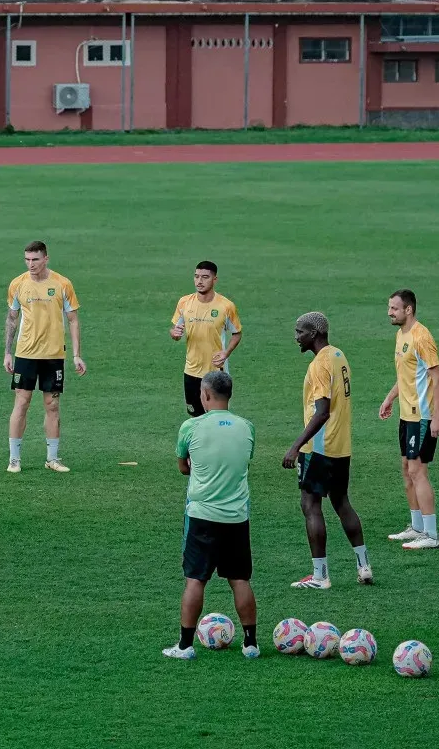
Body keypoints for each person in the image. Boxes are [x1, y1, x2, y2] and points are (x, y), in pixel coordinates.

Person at [164, 371, 259, 660]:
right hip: (236, 517)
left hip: (202, 515)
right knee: (240, 580)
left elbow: (183, 466)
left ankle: (184, 646)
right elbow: (242, 462)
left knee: (195, 579)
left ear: (205, 395)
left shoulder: (190, 427)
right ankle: (251, 644)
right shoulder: (247, 428)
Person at [281, 312, 373, 590]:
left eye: (300, 331)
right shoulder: (338, 356)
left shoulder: (319, 365)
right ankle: (363, 565)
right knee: (341, 502)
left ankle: (320, 576)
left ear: (314, 334)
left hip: (319, 448)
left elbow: (321, 412)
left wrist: (296, 446)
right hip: (341, 445)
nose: (296, 336)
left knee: (310, 505)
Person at [4, 240, 85, 474]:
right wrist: (7, 352)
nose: (31, 264)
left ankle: (52, 458)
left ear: (46, 258)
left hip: (53, 354)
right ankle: (14, 459)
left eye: (35, 259)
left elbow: (73, 319)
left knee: (52, 404)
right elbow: (12, 318)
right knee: (22, 402)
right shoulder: (18, 284)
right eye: (27, 260)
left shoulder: (62, 284)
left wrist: (77, 355)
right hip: (26, 353)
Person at [380, 289, 439, 550]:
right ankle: (416, 527)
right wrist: (390, 398)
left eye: (394, 308)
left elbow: (437, 377)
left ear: (408, 309)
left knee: (418, 471)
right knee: (407, 470)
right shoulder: (400, 334)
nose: (389, 312)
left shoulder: (422, 336)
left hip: (422, 416)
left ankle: (430, 534)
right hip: (407, 415)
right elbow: (406, 375)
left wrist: (437, 417)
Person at [169, 261, 242, 418]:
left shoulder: (226, 306)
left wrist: (226, 352)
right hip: (191, 370)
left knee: (216, 416)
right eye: (196, 277)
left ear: (214, 279)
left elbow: (237, 333)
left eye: (205, 277)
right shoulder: (184, 302)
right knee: (195, 416)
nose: (199, 281)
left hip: (216, 371)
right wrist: (174, 334)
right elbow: (175, 330)